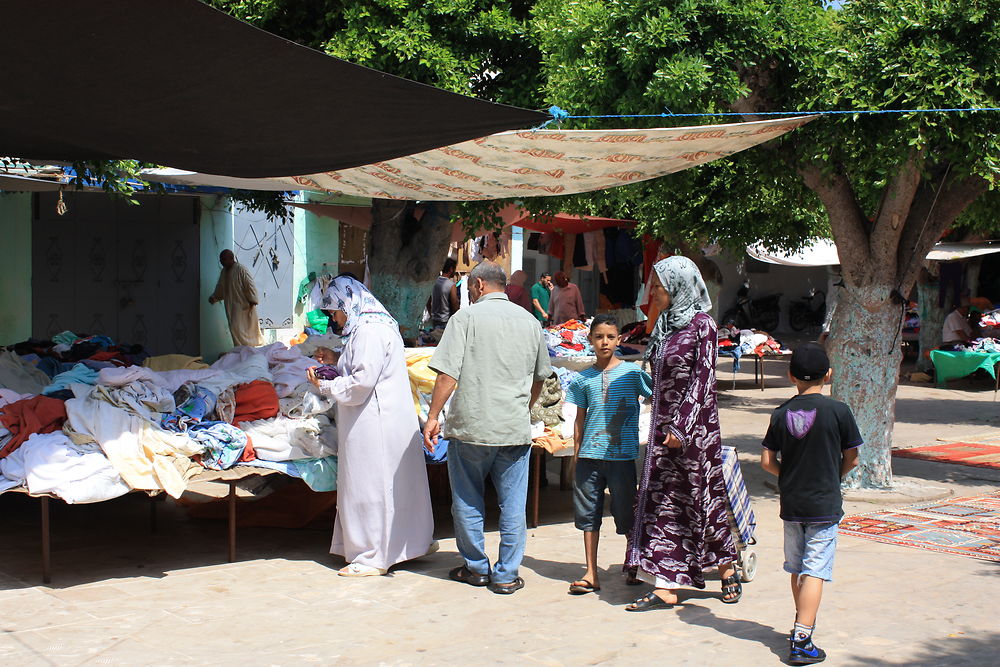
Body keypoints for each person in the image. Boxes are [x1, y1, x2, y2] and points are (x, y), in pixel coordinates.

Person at [422, 261, 551, 595]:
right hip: (512, 427)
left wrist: (433, 416)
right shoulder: (529, 321)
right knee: (512, 504)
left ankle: (476, 568)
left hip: (471, 427)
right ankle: (506, 574)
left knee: (467, 500)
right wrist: (522, 407)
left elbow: (447, 375)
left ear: (477, 285)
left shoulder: (464, 319)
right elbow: (539, 379)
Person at [624, 256, 740, 611]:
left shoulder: (702, 325)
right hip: (663, 428)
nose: (654, 291)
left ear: (679, 285)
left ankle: (726, 566)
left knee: (701, 496)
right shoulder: (665, 326)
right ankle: (665, 582)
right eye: (654, 284)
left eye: (659, 285)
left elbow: (703, 379)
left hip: (693, 431)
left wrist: (681, 426)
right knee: (665, 499)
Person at [306, 276, 434, 577]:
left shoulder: (369, 332)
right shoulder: (377, 327)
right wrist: (337, 360)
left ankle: (372, 555)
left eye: (335, 311)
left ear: (348, 304)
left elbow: (362, 384)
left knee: (370, 487)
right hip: (382, 420)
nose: (334, 318)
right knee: (392, 486)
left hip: (373, 423)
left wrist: (325, 385)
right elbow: (367, 368)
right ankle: (405, 543)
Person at [761, 343, 862, 665]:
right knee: (816, 569)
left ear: (791, 376)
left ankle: (802, 622)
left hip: (792, 503)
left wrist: (787, 476)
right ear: (828, 374)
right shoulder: (839, 411)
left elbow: (766, 461)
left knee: (797, 567)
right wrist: (834, 476)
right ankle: (802, 639)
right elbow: (853, 458)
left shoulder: (780, 413)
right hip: (824, 502)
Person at [565, 314, 652, 595]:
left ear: (619, 340)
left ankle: (634, 564)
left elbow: (660, 397)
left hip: (623, 457)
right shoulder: (581, 380)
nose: (604, 342)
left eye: (610, 337)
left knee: (626, 512)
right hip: (589, 457)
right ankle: (591, 572)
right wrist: (576, 455)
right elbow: (579, 421)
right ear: (590, 340)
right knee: (588, 515)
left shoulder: (633, 374)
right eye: (599, 337)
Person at [208, 249, 264, 347]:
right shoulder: (224, 272)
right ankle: (241, 352)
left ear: (231, 258)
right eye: (221, 260)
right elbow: (221, 287)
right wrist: (214, 297)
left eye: (224, 259)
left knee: (245, 331)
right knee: (235, 330)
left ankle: (249, 352)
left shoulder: (241, 270)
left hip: (244, 307)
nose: (221, 262)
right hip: (232, 307)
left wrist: (253, 300)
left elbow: (249, 285)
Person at [430, 257, 460, 330]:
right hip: (445, 321)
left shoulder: (433, 282)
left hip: (434, 320)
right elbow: (455, 304)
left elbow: (428, 301)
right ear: (451, 269)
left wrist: (431, 314)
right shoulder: (451, 285)